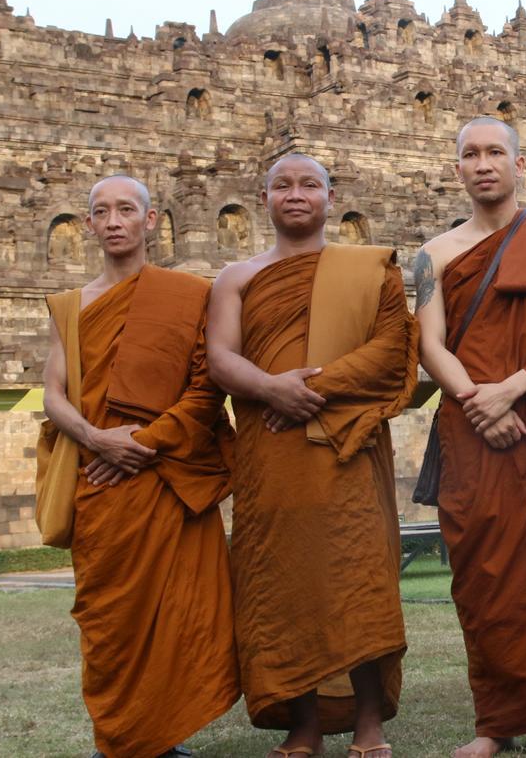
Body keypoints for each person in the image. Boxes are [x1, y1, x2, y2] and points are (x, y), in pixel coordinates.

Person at [208, 154, 417, 758]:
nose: (295, 195)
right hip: (270, 450)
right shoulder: (237, 277)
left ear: (331, 196)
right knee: (283, 580)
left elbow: (391, 349)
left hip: (348, 443)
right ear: (263, 196)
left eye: (308, 185)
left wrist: (307, 389)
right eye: (282, 185)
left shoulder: (367, 269)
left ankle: (369, 723)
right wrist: (270, 388)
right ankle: (304, 725)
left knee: (361, 577)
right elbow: (221, 358)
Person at [414, 117, 526, 758]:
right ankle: (494, 724)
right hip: (469, 427)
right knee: (480, 572)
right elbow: (428, 344)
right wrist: (476, 400)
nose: (483, 163)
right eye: (470, 154)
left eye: (496, 152)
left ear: (520, 165)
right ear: (456, 168)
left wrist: (511, 388)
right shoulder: (432, 255)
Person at [40, 175, 239, 758]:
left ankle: (162, 735)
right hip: (99, 482)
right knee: (110, 618)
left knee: (181, 616)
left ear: (151, 221)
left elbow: (207, 388)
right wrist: (97, 439)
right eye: (101, 212)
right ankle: (119, 739)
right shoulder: (71, 307)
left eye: (127, 209)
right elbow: (54, 392)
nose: (114, 221)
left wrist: (144, 442)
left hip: (167, 477)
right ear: (89, 225)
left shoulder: (189, 294)